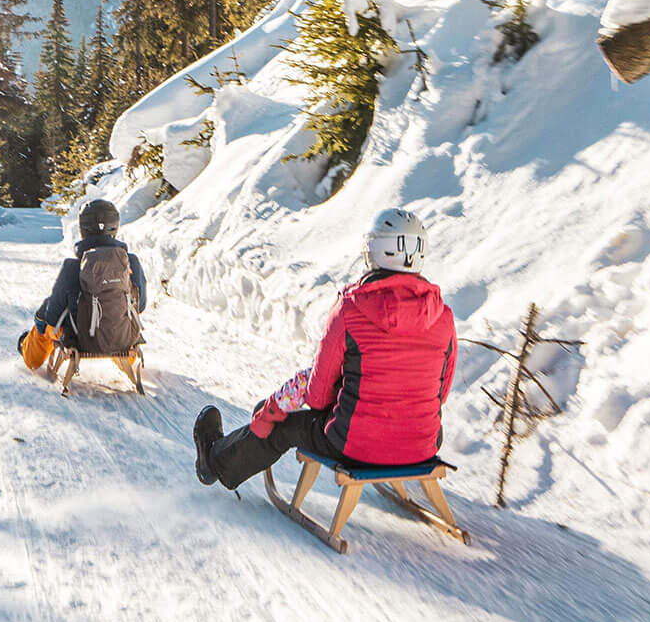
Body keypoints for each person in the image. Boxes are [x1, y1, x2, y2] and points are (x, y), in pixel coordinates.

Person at [192, 208, 455, 489]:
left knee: (282, 427)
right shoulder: (444, 316)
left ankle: (214, 462)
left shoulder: (350, 309)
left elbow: (317, 397)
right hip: (422, 446)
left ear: (373, 251)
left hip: (355, 445)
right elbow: (441, 393)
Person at [23, 196, 147, 358]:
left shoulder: (72, 266)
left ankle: (29, 356)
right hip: (124, 338)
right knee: (120, 325)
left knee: (43, 324)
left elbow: (54, 316)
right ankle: (125, 358)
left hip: (81, 341)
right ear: (114, 227)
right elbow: (141, 305)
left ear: (84, 229)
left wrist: (42, 315)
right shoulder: (132, 263)